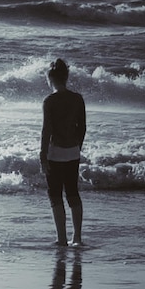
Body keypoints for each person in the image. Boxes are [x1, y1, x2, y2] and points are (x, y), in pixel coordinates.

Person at [40, 59, 86, 246]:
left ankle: (61, 238)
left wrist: (43, 155)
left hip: (55, 152)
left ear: (50, 78)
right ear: (66, 77)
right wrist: (77, 146)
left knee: (55, 195)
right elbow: (82, 127)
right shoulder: (77, 99)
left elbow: (47, 130)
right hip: (73, 151)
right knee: (73, 193)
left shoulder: (50, 101)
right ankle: (77, 237)